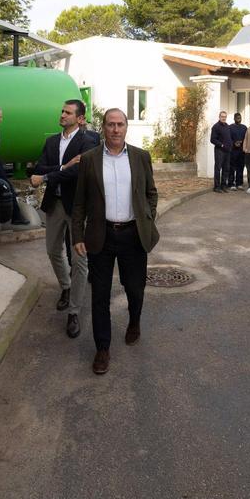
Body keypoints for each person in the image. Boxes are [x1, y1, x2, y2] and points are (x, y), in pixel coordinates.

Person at [73, 108, 159, 375]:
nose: (115, 129)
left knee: (135, 289)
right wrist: (77, 235)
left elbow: (151, 193)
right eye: (110, 124)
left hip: (133, 235)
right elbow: (79, 203)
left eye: (120, 124)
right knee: (100, 295)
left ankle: (134, 320)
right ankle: (102, 348)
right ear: (103, 127)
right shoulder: (88, 159)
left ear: (126, 127)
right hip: (102, 235)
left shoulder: (140, 157)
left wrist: (146, 219)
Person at [31, 99, 99, 338]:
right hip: (55, 204)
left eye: (67, 112)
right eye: (61, 111)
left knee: (80, 261)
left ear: (80, 119)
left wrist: (50, 174)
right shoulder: (51, 141)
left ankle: (74, 312)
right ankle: (66, 287)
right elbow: (38, 169)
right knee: (52, 250)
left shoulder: (89, 140)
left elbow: (79, 170)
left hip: (79, 207)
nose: (62, 115)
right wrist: (62, 166)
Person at [209, 111, 233, 193]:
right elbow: (212, 139)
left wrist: (230, 145)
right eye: (222, 116)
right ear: (219, 117)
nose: (224, 118)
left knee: (226, 169)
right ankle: (217, 187)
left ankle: (223, 186)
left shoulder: (227, 126)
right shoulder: (216, 127)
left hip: (227, 151)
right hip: (220, 151)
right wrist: (221, 145)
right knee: (218, 168)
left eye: (225, 116)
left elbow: (229, 137)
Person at [228, 113, 247, 190]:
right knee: (232, 168)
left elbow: (246, 138)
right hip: (233, 151)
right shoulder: (230, 127)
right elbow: (228, 138)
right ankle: (231, 183)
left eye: (240, 117)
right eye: (237, 118)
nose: (238, 119)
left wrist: (242, 143)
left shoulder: (244, 127)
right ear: (234, 118)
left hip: (242, 151)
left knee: (240, 167)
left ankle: (239, 183)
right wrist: (234, 143)